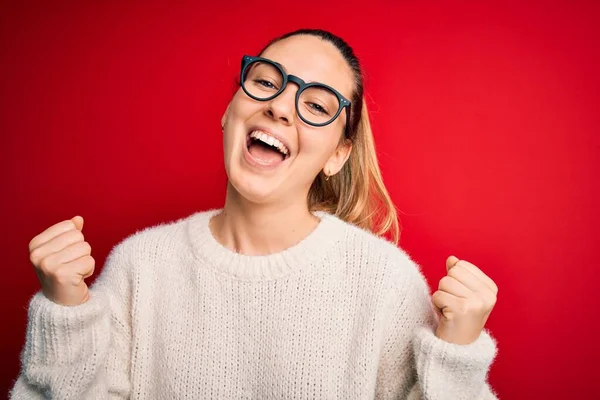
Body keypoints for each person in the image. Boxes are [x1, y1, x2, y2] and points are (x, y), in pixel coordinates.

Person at [10, 29, 499, 399]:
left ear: (337, 155)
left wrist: (456, 353)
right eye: (265, 81)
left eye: (316, 104)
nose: (281, 108)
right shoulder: (141, 267)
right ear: (230, 110)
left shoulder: (385, 283)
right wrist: (66, 313)